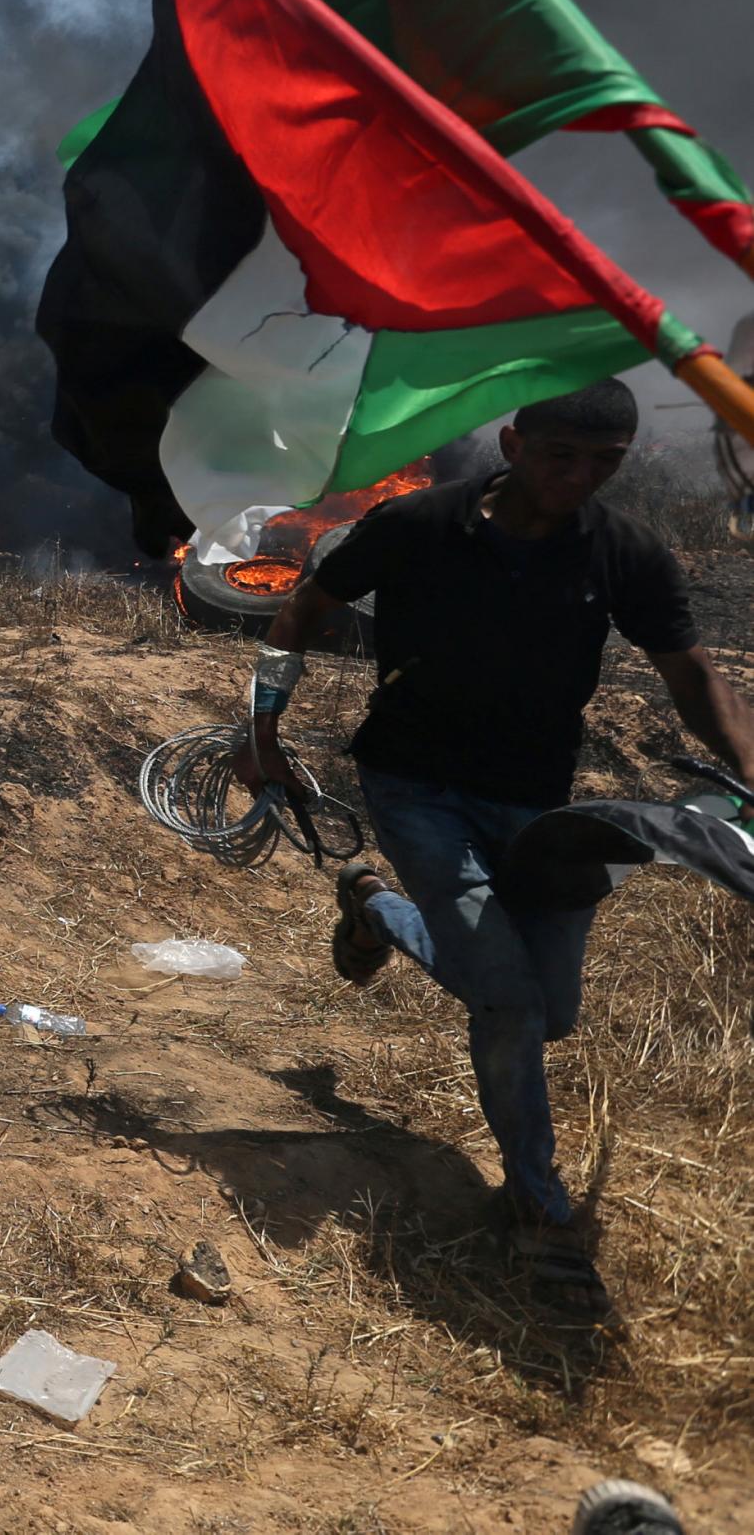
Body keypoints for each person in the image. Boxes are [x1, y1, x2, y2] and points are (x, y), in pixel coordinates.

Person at [241, 381, 754, 1318]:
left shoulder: (623, 552)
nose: (580, 477)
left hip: (538, 806)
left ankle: (375, 908)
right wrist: (262, 727)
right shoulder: (419, 524)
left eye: (605, 462)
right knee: (510, 998)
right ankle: (538, 1205)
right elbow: (301, 608)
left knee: (548, 1010)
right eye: (562, 454)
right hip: (413, 786)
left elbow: (696, 679)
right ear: (514, 444)